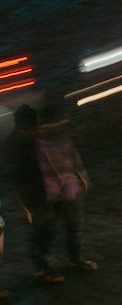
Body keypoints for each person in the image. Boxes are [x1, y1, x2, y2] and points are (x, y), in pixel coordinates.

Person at [36, 102, 96, 273]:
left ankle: (73, 258)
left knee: (73, 225)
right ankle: (45, 264)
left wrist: (82, 176)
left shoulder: (61, 137)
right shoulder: (39, 143)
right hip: (52, 192)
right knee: (51, 229)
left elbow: (73, 156)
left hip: (68, 188)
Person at [3, 105, 61, 282]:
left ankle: (42, 264)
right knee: (40, 232)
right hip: (31, 195)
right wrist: (21, 206)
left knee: (46, 230)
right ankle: (43, 267)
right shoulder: (13, 147)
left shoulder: (30, 141)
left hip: (43, 191)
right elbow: (12, 179)